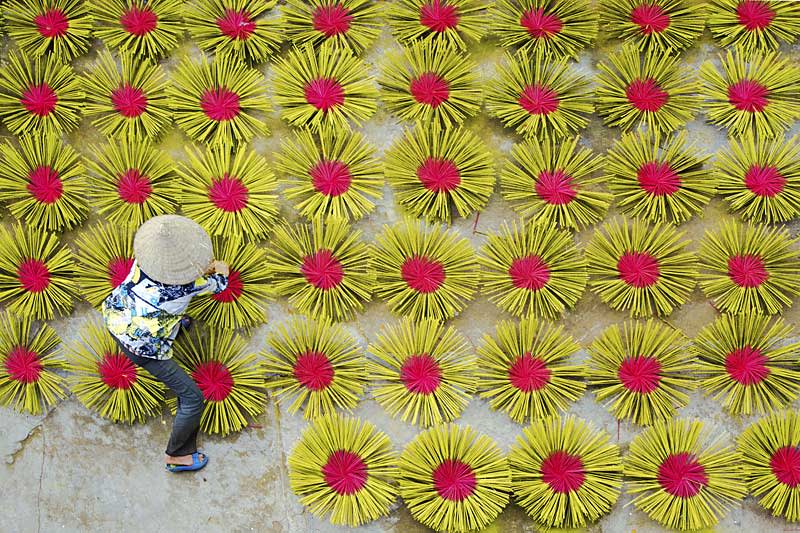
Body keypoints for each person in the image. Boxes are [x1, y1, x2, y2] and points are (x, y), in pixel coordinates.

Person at [102, 215, 230, 473]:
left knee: (172, 316)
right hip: (144, 347)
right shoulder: (191, 285)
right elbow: (221, 284)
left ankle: (172, 327)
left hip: (115, 317)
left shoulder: (145, 260)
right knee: (193, 399)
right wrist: (222, 268)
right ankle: (177, 455)